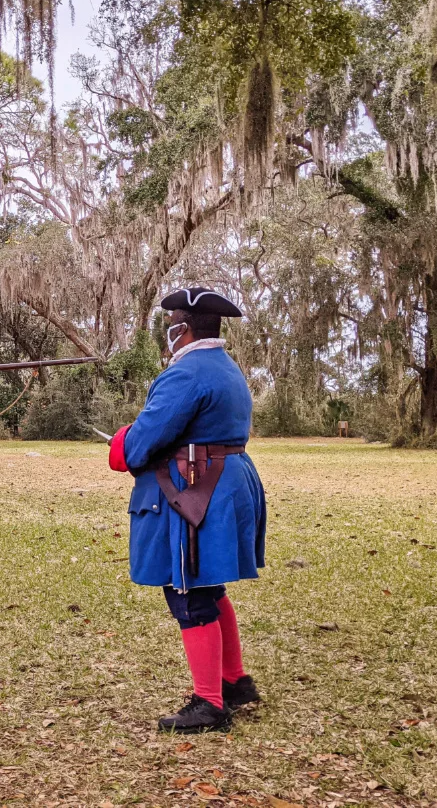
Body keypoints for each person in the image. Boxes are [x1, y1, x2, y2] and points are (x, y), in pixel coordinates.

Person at [107, 288, 266, 733]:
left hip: (195, 487)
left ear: (182, 329)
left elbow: (140, 445)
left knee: (187, 591)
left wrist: (121, 441)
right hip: (223, 479)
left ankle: (210, 704)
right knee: (209, 587)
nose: (167, 333)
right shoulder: (225, 367)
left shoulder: (186, 373)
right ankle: (234, 681)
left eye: (170, 324)